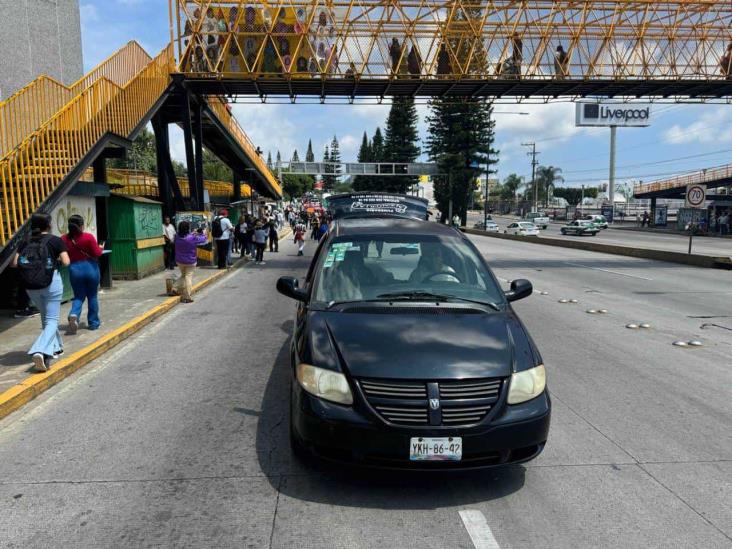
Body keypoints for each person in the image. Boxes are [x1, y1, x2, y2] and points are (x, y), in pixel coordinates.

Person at [12, 213, 70, 372]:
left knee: (46, 317)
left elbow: (15, 263)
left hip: (30, 286)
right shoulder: (55, 241)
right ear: (49, 225)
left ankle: (54, 349)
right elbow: (66, 261)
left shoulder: (25, 241)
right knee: (52, 320)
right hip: (51, 283)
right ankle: (39, 350)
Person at [62, 214, 104, 334]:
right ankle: (94, 323)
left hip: (74, 269)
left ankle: (73, 314)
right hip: (90, 268)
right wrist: (100, 247)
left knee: (79, 296)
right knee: (92, 296)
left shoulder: (64, 239)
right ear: (81, 226)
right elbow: (97, 253)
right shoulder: (88, 237)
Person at [174, 220, 208, 303]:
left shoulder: (176, 236)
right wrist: (202, 233)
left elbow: (185, 236)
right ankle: (187, 296)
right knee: (188, 277)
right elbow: (203, 239)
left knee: (183, 275)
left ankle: (174, 288)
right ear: (187, 229)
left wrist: (194, 233)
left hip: (179, 260)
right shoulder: (192, 238)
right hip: (190, 261)